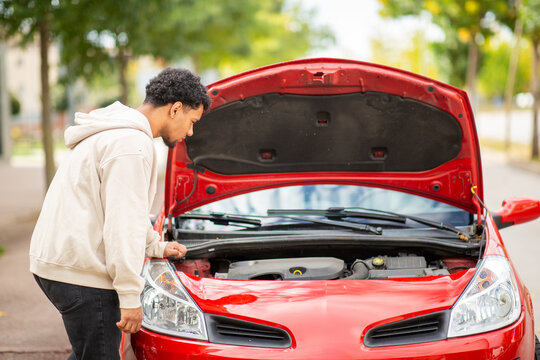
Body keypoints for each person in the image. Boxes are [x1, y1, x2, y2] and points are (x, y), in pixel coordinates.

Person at [29, 67, 212, 359]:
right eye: (192, 121)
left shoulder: (118, 134)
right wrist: (129, 296)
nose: (190, 132)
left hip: (60, 262)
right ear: (175, 109)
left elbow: (125, 209)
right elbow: (121, 224)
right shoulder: (131, 144)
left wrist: (156, 246)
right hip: (82, 274)